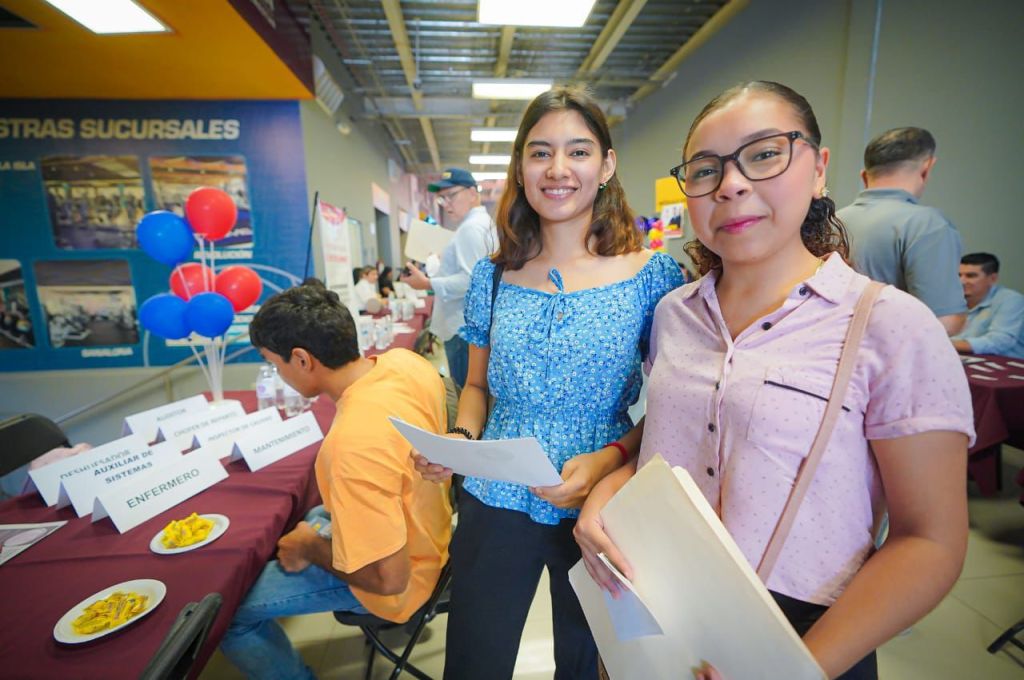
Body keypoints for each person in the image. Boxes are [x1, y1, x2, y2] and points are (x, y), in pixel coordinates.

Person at [575, 81, 974, 680]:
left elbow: (930, 541)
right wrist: (606, 494)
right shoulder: (674, 314)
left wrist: (793, 668)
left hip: (805, 635)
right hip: (657, 612)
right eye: (705, 170)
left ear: (820, 170)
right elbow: (673, 442)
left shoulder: (890, 326)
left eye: (764, 155)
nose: (731, 184)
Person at [412, 85, 683, 679]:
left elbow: (674, 409)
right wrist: (460, 441)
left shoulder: (652, 276)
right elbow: (476, 388)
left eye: (578, 151)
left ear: (606, 165)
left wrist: (612, 457)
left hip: (599, 500)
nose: (558, 169)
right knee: (475, 660)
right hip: (495, 492)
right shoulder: (493, 277)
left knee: (587, 664)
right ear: (520, 168)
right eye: (540, 153)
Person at [220, 280, 452, 680]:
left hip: (405, 580)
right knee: (314, 516)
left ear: (301, 359)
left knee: (229, 613)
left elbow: (389, 579)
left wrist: (311, 548)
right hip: (435, 535)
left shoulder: (350, 446)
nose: (279, 376)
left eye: (276, 365)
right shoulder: (406, 363)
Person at [837, 127, 966, 335]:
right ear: (926, 169)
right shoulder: (927, 225)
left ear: (864, 176)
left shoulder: (831, 221)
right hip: (890, 349)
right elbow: (943, 321)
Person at [401, 168, 497, 388]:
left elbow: (471, 281)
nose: (447, 204)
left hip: (461, 326)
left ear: (472, 193)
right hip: (471, 324)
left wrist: (427, 283)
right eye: (442, 198)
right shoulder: (482, 224)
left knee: (466, 391)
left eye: (451, 195)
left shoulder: (470, 229)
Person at [952, 253, 1024, 358]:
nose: (961, 281)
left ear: (992, 279)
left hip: (1007, 363)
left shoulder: (1010, 300)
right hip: (966, 359)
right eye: (959, 275)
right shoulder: (953, 299)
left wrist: (946, 343)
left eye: (970, 276)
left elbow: (999, 341)